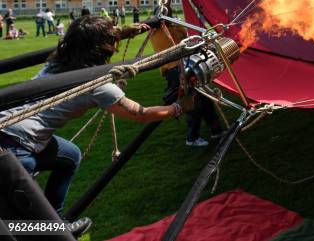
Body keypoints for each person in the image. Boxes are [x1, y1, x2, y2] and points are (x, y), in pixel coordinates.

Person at [0, 16, 182, 237]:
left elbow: (82, 41)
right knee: (25, 229)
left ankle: (58, 219)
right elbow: (139, 113)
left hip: (13, 130)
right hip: (13, 150)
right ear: (103, 47)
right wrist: (177, 108)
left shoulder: (57, 59)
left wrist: (122, 33)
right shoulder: (98, 85)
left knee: (70, 156)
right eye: (112, 37)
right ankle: (55, 227)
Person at [149, 9, 224, 147]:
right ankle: (192, 137)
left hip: (188, 65)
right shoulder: (155, 29)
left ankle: (216, 130)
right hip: (175, 70)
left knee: (205, 99)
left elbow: (188, 41)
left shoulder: (176, 26)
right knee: (192, 102)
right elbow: (150, 24)